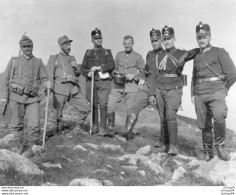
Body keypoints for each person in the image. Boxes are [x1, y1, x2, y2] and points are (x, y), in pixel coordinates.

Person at [179, 22, 236, 161]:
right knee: (204, 125)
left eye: (204, 37)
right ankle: (208, 153)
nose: (202, 40)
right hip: (200, 93)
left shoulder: (219, 52)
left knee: (219, 115)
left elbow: (232, 73)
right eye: (199, 37)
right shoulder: (197, 56)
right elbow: (194, 76)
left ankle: (220, 148)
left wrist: (224, 89)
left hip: (216, 91)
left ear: (210, 37)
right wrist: (193, 93)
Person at [0, 35, 52, 158]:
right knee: (17, 123)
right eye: (24, 46)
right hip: (15, 97)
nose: (27, 48)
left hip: (32, 98)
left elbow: (44, 78)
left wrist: (47, 84)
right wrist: (4, 97)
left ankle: (33, 147)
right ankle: (19, 146)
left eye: (29, 46)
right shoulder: (14, 61)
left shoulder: (38, 62)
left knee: (34, 124)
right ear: (21, 48)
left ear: (32, 47)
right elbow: (5, 79)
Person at [148, 25, 189, 156]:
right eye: (164, 39)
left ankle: (173, 146)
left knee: (170, 114)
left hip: (174, 88)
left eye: (169, 39)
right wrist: (152, 93)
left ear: (174, 39)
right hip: (160, 88)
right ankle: (163, 143)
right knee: (162, 115)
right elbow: (154, 75)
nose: (166, 41)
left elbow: (194, 53)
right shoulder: (158, 55)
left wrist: (189, 55)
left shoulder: (181, 53)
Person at [121, 29, 163, 140]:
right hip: (147, 87)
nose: (154, 43)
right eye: (152, 41)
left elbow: (158, 76)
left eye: (156, 40)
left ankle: (165, 142)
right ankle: (126, 135)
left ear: (161, 40)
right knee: (134, 109)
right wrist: (143, 78)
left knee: (164, 115)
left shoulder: (165, 55)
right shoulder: (149, 54)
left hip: (159, 89)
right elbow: (147, 70)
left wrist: (152, 94)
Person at [46, 35, 90, 134]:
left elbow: (78, 74)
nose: (69, 46)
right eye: (66, 44)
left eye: (69, 44)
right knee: (58, 112)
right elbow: (50, 74)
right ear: (60, 46)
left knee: (86, 106)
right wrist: (50, 88)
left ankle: (77, 129)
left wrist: (75, 68)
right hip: (60, 89)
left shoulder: (72, 58)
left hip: (73, 89)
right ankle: (57, 132)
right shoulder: (54, 57)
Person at [106, 35, 145, 135]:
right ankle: (110, 130)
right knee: (110, 104)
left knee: (130, 110)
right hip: (118, 85)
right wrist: (117, 74)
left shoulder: (138, 56)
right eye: (125, 43)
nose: (127, 45)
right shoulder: (119, 55)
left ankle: (127, 133)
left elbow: (143, 70)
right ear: (123, 44)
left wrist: (134, 75)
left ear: (133, 44)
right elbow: (114, 68)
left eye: (129, 43)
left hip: (131, 86)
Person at [81, 28, 115, 135]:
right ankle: (94, 126)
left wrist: (100, 67)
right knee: (93, 104)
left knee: (103, 104)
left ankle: (102, 128)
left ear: (102, 38)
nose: (98, 40)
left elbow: (112, 64)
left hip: (103, 81)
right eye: (96, 38)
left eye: (100, 38)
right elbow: (82, 68)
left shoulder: (107, 52)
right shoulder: (88, 53)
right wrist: (88, 72)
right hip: (91, 81)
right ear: (92, 40)